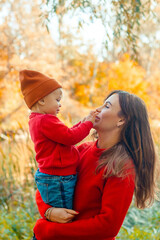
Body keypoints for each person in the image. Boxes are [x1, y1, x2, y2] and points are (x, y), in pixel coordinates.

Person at [33, 90, 158, 240]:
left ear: (121, 120)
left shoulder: (122, 167)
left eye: (107, 106)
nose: (97, 109)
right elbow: (47, 183)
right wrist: (48, 211)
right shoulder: (81, 150)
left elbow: (108, 226)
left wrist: (50, 230)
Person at [19, 69, 98, 210]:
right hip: (58, 179)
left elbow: (65, 134)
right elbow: (71, 137)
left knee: (63, 212)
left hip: (54, 177)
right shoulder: (46, 120)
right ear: (41, 100)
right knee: (64, 213)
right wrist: (89, 124)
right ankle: (57, 232)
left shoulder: (38, 120)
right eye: (57, 100)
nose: (60, 104)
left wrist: (84, 121)